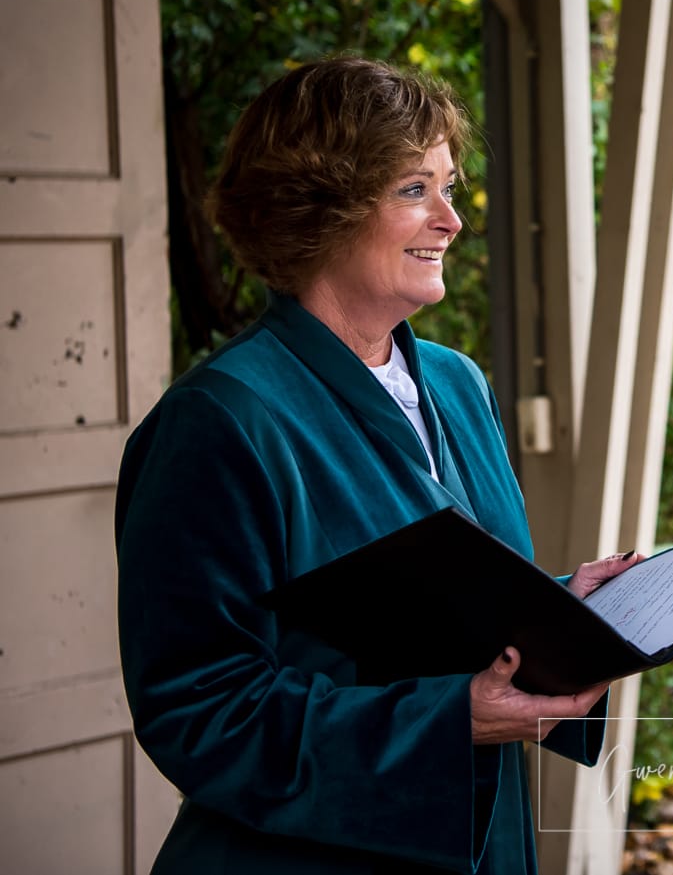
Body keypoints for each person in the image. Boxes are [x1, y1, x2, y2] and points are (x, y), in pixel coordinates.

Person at [116, 57, 641, 873]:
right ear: (318, 209)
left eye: (450, 187)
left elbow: (444, 607)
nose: (451, 220)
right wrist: (447, 720)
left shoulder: (460, 385)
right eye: (414, 189)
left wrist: (552, 617)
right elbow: (200, 709)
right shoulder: (220, 420)